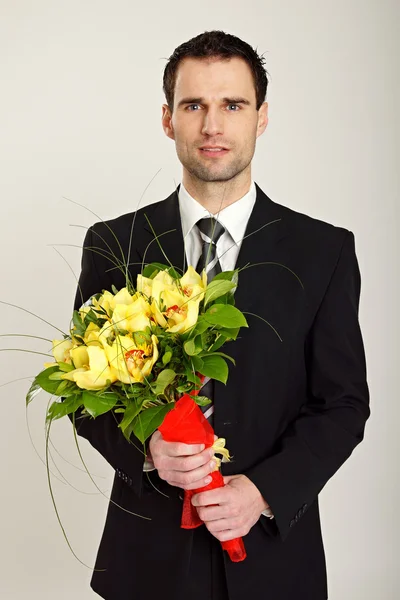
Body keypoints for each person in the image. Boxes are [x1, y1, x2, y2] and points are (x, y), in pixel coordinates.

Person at [73, 30, 370, 600]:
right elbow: (87, 396)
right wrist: (149, 451)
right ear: (168, 119)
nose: (213, 125)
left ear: (260, 117)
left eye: (232, 105)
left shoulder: (323, 251)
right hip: (146, 562)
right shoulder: (114, 242)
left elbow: (343, 404)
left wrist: (261, 492)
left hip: (275, 556)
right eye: (194, 106)